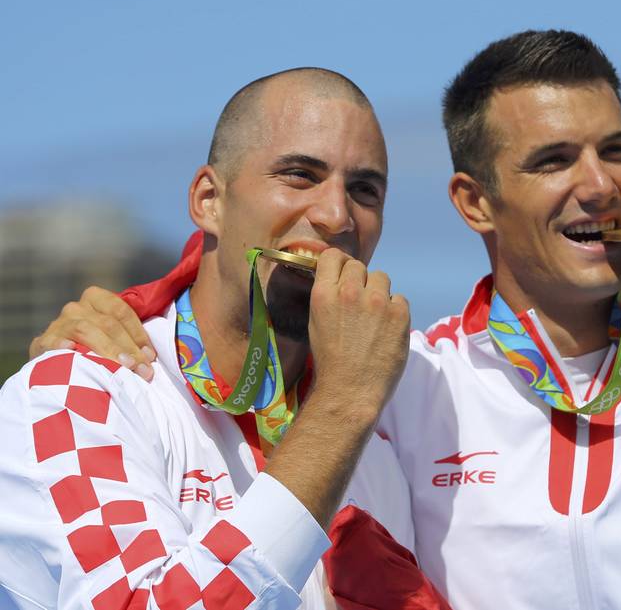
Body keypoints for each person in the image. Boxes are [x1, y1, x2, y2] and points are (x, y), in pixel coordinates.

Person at [29, 31, 621, 609]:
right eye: (554, 160)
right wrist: (123, 319)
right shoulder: (406, 385)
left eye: (615, 151)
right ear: (474, 202)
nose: (598, 185)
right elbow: (236, 376)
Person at [0, 68, 450, 610]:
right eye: (300, 176)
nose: (336, 216)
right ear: (209, 200)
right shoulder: (82, 394)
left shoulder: (401, 412)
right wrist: (342, 406)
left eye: (364, 190)